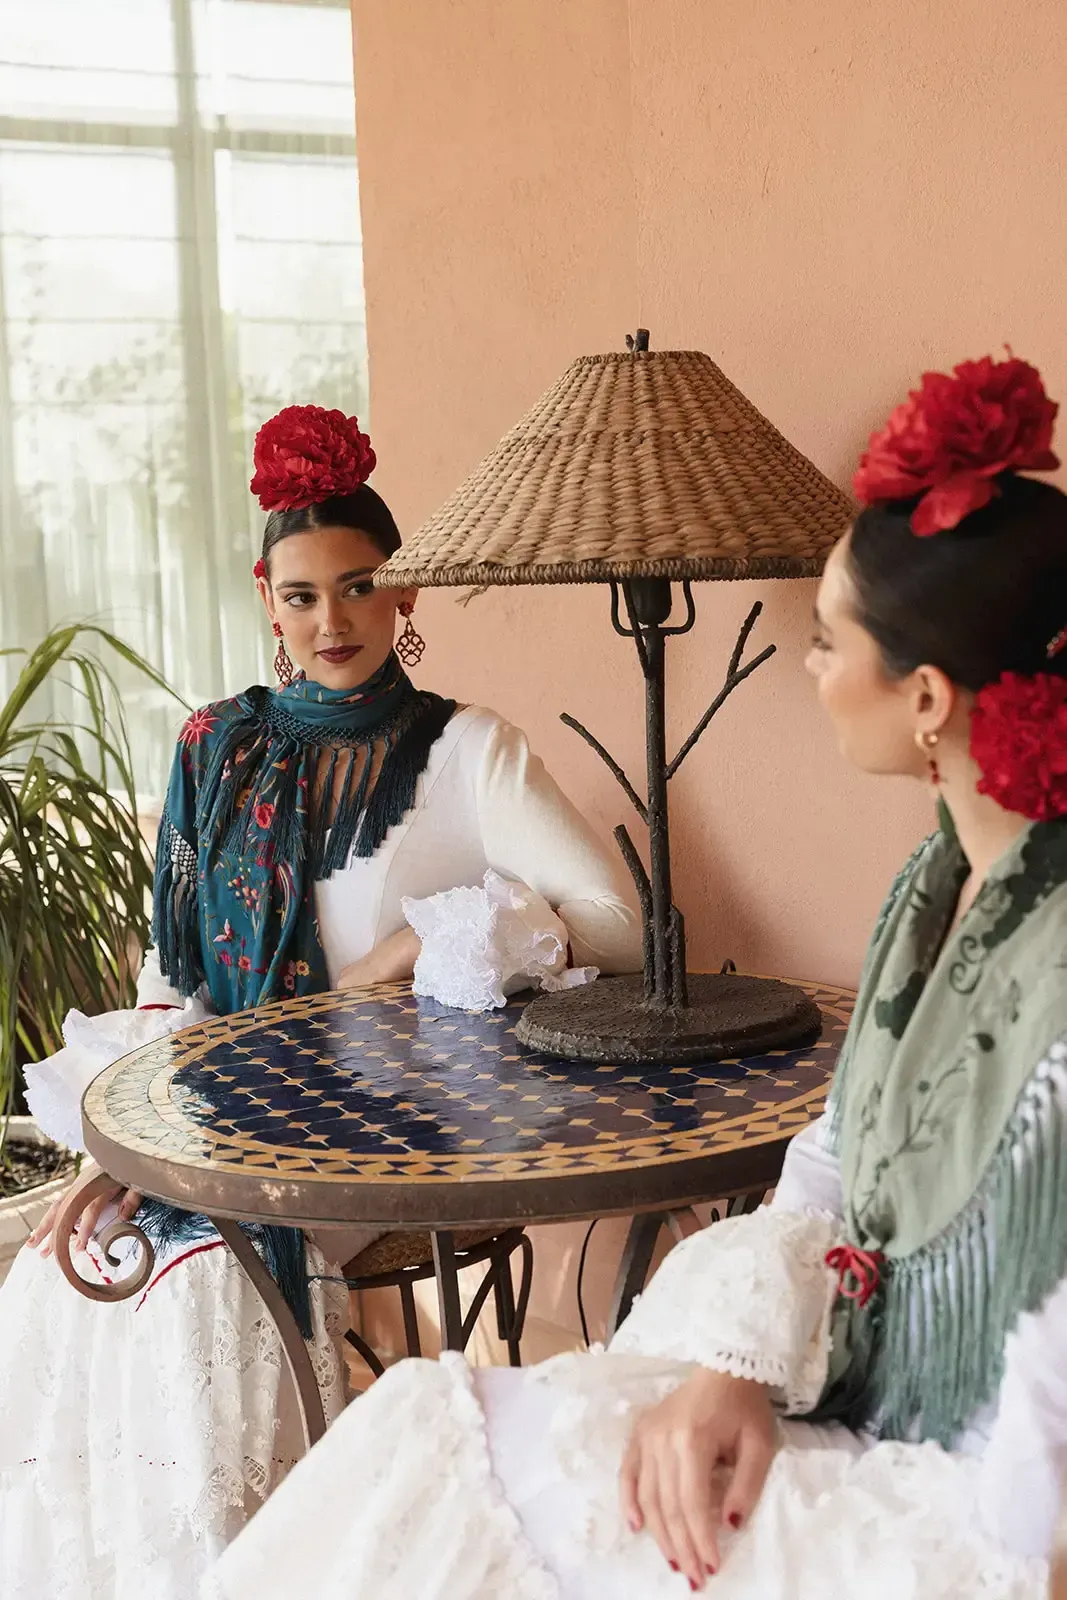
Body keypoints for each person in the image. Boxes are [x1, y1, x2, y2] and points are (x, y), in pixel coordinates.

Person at [209, 355, 1067, 1600]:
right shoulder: (934, 886)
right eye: (299, 595)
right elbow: (834, 1155)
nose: (808, 665)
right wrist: (730, 1363)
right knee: (417, 1425)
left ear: (924, 697)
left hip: (960, 1488)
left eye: (826, 641)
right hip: (838, 1373)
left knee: (447, 1473)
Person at [0, 404, 641, 1600]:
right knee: (67, 1267)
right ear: (267, 599)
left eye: (359, 589)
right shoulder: (211, 747)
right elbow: (171, 980)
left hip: (391, 1127)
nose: (330, 621)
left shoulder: (467, 751)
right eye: (301, 596)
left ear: (403, 600)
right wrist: (126, 1142)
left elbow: (614, 921)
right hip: (213, 1104)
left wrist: (414, 942)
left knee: (199, 1292)